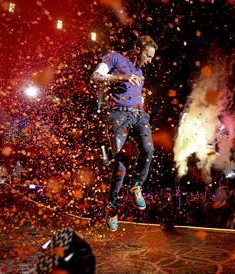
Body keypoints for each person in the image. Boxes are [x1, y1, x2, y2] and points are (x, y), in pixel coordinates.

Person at [90, 35, 157, 231]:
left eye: (152, 57)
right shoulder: (115, 58)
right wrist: (121, 77)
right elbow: (95, 77)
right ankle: (112, 208)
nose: (150, 60)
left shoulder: (140, 71)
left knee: (148, 149)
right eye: (149, 55)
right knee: (121, 163)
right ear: (138, 49)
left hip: (139, 116)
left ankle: (137, 185)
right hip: (119, 115)